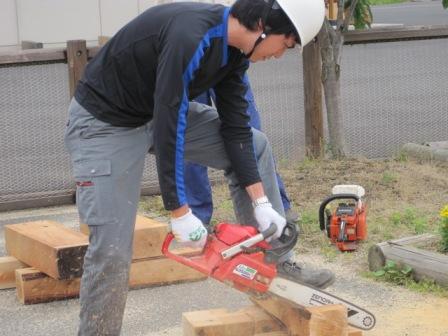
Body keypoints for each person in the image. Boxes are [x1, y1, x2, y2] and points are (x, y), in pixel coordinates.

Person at [64, 0, 333, 335]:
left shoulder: (235, 52)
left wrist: (262, 203)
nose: (279, 54)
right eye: (286, 44)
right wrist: (179, 210)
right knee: (112, 251)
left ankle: (268, 267)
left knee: (256, 144)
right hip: (104, 125)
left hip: (154, 112)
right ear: (266, 26)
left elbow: (235, 126)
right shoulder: (190, 35)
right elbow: (169, 120)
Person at [185, 74, 298, 225]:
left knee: (253, 140)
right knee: (192, 144)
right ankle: (196, 216)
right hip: (189, 67)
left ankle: (273, 208)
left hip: (227, 61)